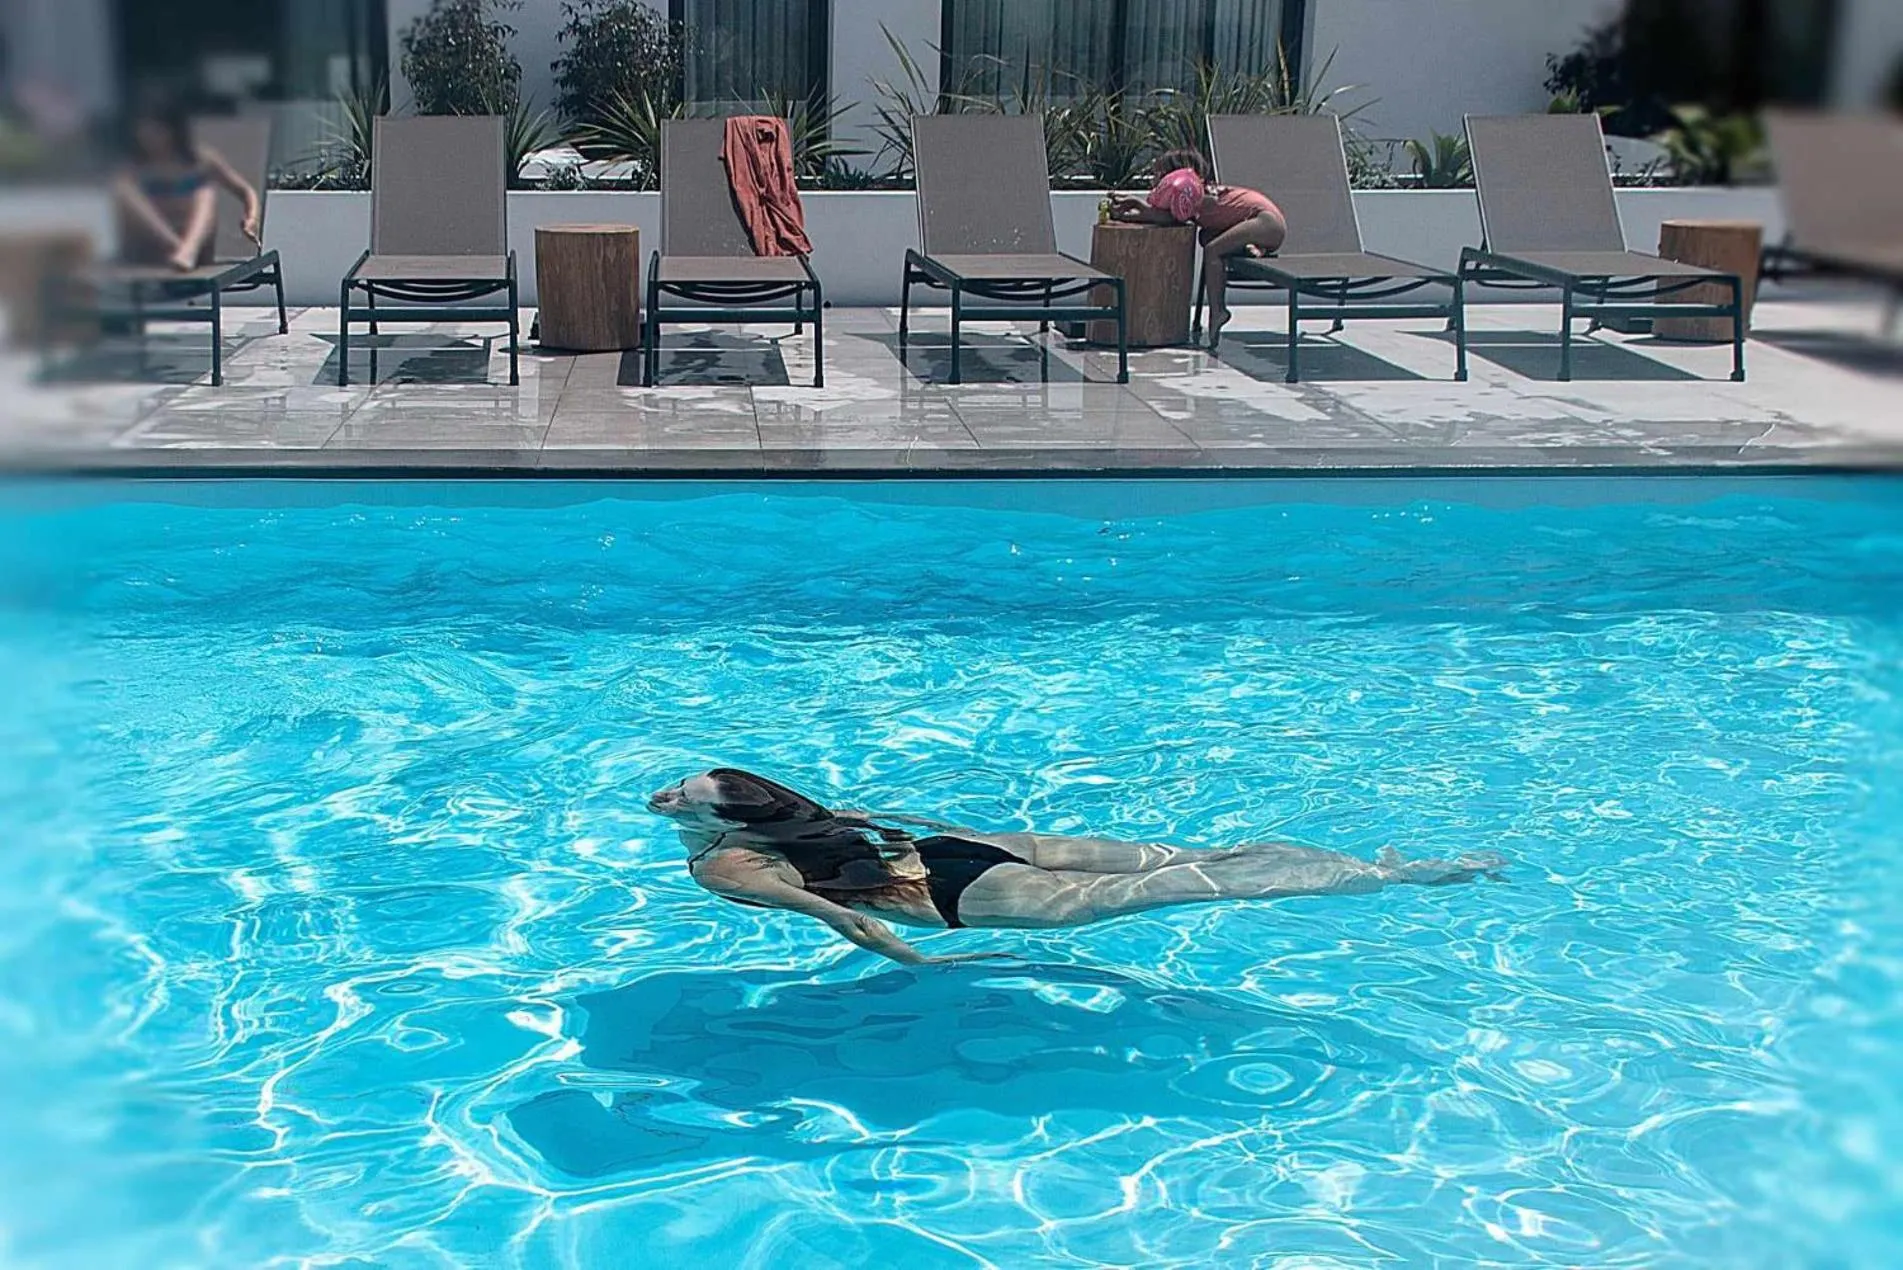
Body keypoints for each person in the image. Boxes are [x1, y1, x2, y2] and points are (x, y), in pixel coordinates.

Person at [649, 768, 1506, 966]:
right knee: (1193, 856)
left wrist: (919, 963)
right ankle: (1372, 863)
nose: (661, 800)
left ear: (719, 820)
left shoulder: (725, 866)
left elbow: (844, 917)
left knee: (1181, 883)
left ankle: (1399, 877)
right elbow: (913, 822)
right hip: (966, 848)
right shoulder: (811, 814)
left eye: (678, 798)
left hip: (946, 892)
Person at [1111, 148, 1287, 347]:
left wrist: (1137, 208)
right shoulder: (1193, 199)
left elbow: (1170, 218)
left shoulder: (1203, 196)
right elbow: (1167, 217)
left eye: (1160, 175)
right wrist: (1128, 211)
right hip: (1259, 228)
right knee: (1206, 235)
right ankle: (1251, 248)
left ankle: (1218, 310)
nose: (1156, 181)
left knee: (1213, 250)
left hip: (1266, 222)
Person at [114, 99, 262, 272]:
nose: (148, 137)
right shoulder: (135, 167)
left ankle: (187, 249)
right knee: (124, 191)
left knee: (205, 192)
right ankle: (177, 246)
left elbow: (245, 190)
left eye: (155, 131)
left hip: (195, 249)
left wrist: (251, 220)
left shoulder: (200, 160)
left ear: (172, 130)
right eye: (144, 131)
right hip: (153, 249)